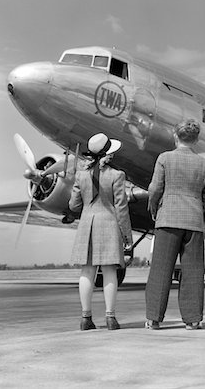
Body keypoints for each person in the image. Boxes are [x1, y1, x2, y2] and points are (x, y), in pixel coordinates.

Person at [145, 119, 205, 330]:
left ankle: (154, 319)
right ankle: (193, 319)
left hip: (168, 219)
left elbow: (155, 188)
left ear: (176, 137)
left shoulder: (164, 158)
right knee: (193, 272)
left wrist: (155, 207)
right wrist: (197, 207)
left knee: (160, 270)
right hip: (193, 221)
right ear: (195, 140)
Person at [68, 133, 133, 331]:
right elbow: (121, 209)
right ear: (109, 154)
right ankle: (111, 318)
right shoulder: (117, 175)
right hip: (109, 224)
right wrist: (127, 237)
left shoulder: (80, 175)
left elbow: (73, 205)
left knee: (87, 272)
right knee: (109, 272)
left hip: (87, 225)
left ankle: (86, 319)